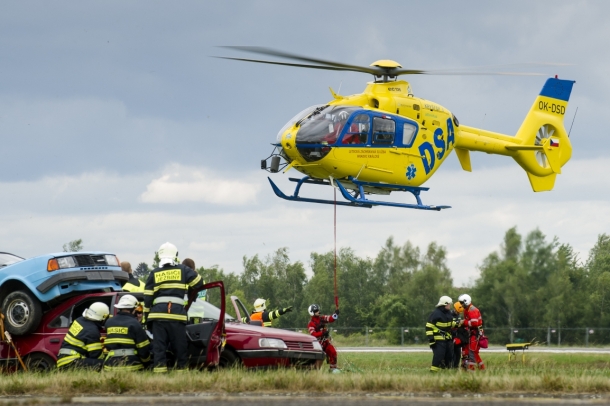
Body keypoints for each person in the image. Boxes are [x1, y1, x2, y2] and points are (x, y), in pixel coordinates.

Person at [143, 242, 203, 373]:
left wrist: (147, 319)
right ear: (176, 255)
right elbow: (199, 283)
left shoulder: (154, 273)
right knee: (180, 348)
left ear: (160, 256)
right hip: (177, 315)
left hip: (158, 316)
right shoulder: (183, 269)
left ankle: (160, 376)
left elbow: (147, 299)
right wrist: (192, 289)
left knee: (159, 349)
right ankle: (181, 375)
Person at [103, 294, 151, 371]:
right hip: (132, 365)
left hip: (111, 366)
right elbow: (143, 349)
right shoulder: (135, 324)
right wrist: (147, 363)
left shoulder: (109, 322)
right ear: (133, 309)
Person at [56, 302, 109, 370]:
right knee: (104, 364)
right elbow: (96, 355)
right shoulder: (92, 330)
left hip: (63, 359)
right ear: (103, 317)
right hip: (71, 361)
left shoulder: (79, 320)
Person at [425, 295, 459, 372]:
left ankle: (445, 372)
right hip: (438, 340)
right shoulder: (436, 314)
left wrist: (459, 324)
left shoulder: (448, 313)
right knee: (438, 357)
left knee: (449, 356)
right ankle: (433, 372)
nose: (450, 305)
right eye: (449, 304)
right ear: (445, 304)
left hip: (447, 339)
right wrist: (431, 340)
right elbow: (428, 326)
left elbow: (450, 323)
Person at [307, 304, 340, 372]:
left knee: (333, 352)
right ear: (312, 312)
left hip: (325, 342)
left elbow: (331, 319)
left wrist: (335, 314)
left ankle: (333, 369)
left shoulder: (322, 318)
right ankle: (313, 371)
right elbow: (313, 334)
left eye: (318, 309)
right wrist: (322, 333)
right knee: (318, 359)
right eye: (316, 310)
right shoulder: (311, 323)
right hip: (317, 344)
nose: (318, 311)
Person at [458, 293, 485, 370]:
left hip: (475, 333)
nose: (461, 305)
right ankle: (482, 368)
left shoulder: (472, 310)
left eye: (461, 303)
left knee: (472, 351)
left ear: (466, 301)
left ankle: (471, 369)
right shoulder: (467, 310)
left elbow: (474, 323)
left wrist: (464, 322)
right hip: (473, 332)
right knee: (475, 352)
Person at [451, 301, 469, 369]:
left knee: (458, 354)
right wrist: (459, 323)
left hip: (457, 337)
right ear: (454, 308)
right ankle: (451, 367)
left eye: (459, 312)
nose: (458, 313)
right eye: (457, 311)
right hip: (451, 337)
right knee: (452, 354)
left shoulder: (458, 316)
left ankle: (455, 367)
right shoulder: (449, 315)